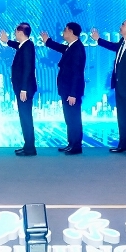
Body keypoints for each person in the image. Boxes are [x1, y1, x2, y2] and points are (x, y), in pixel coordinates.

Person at [92, 19, 126, 156]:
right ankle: (123, 144)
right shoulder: (122, 42)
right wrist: (98, 40)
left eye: (123, 25)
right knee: (122, 117)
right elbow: (112, 46)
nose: (120, 26)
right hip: (120, 87)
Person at [40, 23, 86, 155]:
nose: (63, 33)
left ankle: (76, 146)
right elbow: (61, 48)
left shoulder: (77, 48)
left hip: (72, 92)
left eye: (65, 30)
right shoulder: (71, 47)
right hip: (66, 90)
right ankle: (71, 143)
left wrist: (73, 94)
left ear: (71, 31)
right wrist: (47, 41)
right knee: (69, 118)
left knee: (74, 118)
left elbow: (77, 73)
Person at [2, 23, 38, 156]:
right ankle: (28, 146)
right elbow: (17, 46)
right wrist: (7, 41)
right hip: (23, 88)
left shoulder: (27, 46)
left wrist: (24, 88)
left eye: (15, 32)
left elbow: (28, 68)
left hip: (25, 89)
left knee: (26, 117)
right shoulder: (25, 45)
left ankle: (30, 148)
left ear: (20, 32)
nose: (14, 34)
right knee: (24, 117)